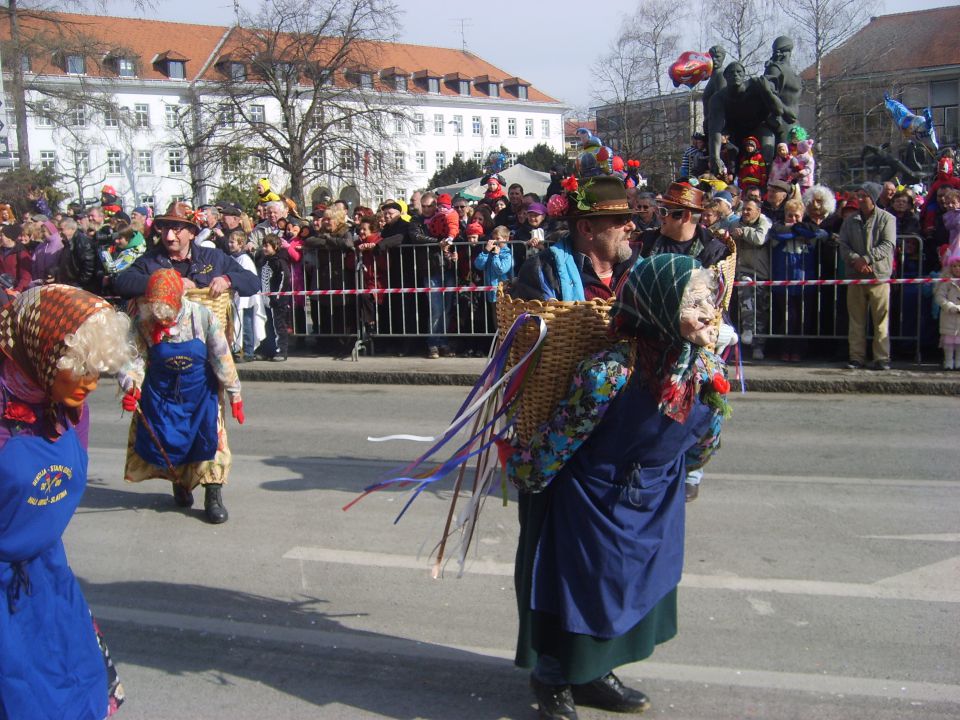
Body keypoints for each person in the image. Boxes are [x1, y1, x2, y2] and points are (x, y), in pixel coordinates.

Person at [505, 253, 730, 720]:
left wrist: (678, 475)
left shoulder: (704, 369)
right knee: (575, 590)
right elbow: (559, 441)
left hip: (652, 500)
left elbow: (706, 441)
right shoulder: (610, 371)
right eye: (694, 301)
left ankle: (593, 673)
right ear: (661, 306)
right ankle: (553, 678)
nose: (709, 310)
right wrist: (526, 475)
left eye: (708, 298)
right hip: (591, 502)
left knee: (629, 588)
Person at [0, 284, 132, 717]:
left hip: (48, 578)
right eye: (80, 370)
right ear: (42, 357)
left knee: (74, 689)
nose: (91, 384)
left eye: (98, 371)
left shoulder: (69, 407)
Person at [118, 269, 244, 524]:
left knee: (211, 442)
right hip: (162, 392)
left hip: (200, 393)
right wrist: (130, 386)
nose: (162, 320)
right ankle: (180, 482)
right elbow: (133, 358)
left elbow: (221, 356)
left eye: (166, 314)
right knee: (168, 440)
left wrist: (234, 393)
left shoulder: (203, 316)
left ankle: (213, 495)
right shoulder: (143, 321)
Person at [510, 175, 637, 302]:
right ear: (586, 228)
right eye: (621, 220)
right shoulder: (542, 272)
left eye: (630, 218)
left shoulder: (640, 269)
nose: (632, 226)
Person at [112, 201, 259, 300]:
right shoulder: (150, 260)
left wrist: (228, 279)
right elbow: (123, 283)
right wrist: (167, 282)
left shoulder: (214, 257)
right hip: (165, 341)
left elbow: (252, 282)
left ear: (192, 233)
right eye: (165, 229)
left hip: (208, 341)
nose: (169, 237)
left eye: (176, 230)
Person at [837, 182, 896, 370]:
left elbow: (888, 244)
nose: (860, 199)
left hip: (879, 276)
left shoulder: (887, 219)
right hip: (856, 276)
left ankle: (882, 357)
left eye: (864, 195)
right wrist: (856, 260)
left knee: (881, 320)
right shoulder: (850, 220)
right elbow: (843, 244)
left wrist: (868, 259)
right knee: (856, 320)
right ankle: (856, 356)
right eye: (858, 195)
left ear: (873, 197)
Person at [731, 198, 772, 360]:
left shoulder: (764, 223)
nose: (745, 212)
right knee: (746, 293)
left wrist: (745, 232)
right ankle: (747, 328)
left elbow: (760, 238)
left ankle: (758, 345)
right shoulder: (736, 223)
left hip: (762, 273)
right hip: (743, 271)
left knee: (761, 310)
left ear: (758, 211)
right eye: (744, 209)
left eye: (749, 209)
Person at [934, 251, 960, 369]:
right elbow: (939, 296)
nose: (957, 269)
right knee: (949, 342)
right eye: (954, 266)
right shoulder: (946, 282)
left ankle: (958, 361)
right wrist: (949, 306)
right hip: (949, 316)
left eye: (959, 266)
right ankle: (948, 361)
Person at [0, 224, 32, 301]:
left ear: (9, 237)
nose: (0, 238)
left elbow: (26, 275)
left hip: (14, 293)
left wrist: (18, 290)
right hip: (2, 290)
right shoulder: (1, 250)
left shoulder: (21, 252)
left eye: (2, 236)